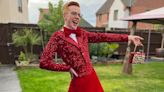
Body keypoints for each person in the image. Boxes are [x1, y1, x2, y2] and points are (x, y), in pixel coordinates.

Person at [39, 1, 143, 92]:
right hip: (79, 82)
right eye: (74, 13)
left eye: (79, 14)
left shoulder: (83, 34)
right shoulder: (57, 37)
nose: (77, 17)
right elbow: (44, 62)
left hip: (92, 78)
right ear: (65, 16)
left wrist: (128, 37)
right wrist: (67, 68)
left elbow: (103, 37)